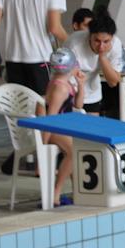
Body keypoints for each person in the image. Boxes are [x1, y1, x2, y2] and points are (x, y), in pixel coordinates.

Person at [0, 0, 68, 175]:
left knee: (20, 110)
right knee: (46, 110)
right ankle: (42, 163)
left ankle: (22, 153)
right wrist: (74, 44)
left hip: (12, 59)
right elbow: (54, 28)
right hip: (39, 58)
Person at [43, 48, 84, 206]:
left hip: (62, 128)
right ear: (73, 66)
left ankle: (78, 191)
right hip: (53, 129)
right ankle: (56, 193)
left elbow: (78, 105)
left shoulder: (66, 83)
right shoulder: (60, 88)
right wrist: (43, 144)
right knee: (74, 151)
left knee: (78, 148)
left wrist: (81, 85)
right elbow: (50, 118)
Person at [65, 6, 123, 115]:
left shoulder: (115, 44)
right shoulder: (74, 45)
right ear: (89, 36)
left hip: (92, 90)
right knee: (73, 123)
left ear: (112, 38)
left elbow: (113, 82)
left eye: (106, 41)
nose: (101, 46)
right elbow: (65, 81)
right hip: (68, 87)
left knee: (92, 124)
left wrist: (103, 57)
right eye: (97, 41)